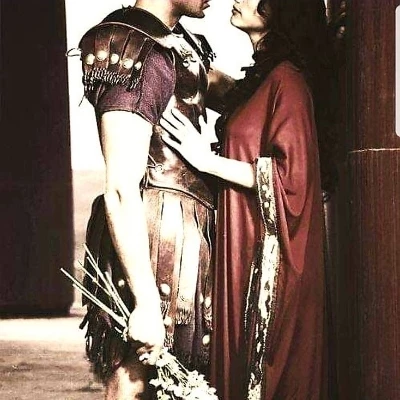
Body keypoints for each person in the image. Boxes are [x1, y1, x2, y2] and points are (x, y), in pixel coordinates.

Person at [160, 0, 338, 398]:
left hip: (270, 254)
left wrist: (205, 160)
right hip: (242, 241)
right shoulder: (263, 79)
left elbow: (292, 178)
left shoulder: (288, 81)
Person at [76, 1, 216, 398]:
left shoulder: (176, 45)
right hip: (150, 231)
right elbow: (122, 187)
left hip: (184, 232)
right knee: (134, 376)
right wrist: (147, 302)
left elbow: (239, 90)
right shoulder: (130, 47)